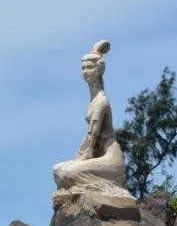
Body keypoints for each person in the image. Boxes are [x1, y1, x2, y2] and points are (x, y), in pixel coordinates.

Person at [52, 40, 126, 191]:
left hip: (110, 158)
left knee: (67, 173)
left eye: (89, 67)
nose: (85, 71)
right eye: (83, 68)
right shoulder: (93, 99)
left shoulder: (101, 102)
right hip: (97, 155)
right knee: (57, 170)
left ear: (99, 70)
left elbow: (92, 136)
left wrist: (78, 160)